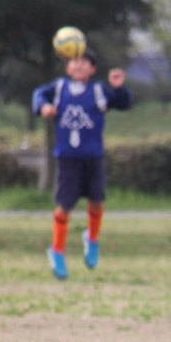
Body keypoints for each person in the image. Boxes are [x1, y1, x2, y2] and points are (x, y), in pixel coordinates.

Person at [32, 49, 130, 281]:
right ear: (67, 68)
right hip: (68, 159)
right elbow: (38, 94)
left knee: (96, 201)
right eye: (74, 62)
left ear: (92, 69)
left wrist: (118, 88)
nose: (78, 65)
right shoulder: (59, 88)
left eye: (84, 62)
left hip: (93, 157)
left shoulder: (97, 90)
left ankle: (92, 239)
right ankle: (57, 251)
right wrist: (43, 107)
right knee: (64, 206)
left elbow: (123, 103)